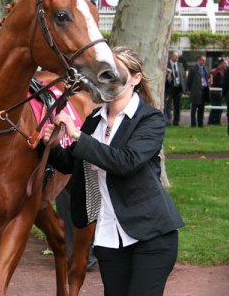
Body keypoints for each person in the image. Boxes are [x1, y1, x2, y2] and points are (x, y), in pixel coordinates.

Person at [44, 46, 183, 296]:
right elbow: (71, 164)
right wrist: (52, 145)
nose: (107, 79)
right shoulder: (94, 120)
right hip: (109, 238)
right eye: (104, 73)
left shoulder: (150, 119)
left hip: (152, 237)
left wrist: (76, 135)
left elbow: (125, 162)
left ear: (136, 79)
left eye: (116, 72)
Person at [187, 55, 209, 127]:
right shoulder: (193, 69)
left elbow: (205, 78)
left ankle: (200, 123)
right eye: (202, 60)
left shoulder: (205, 68)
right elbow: (189, 80)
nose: (204, 62)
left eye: (204, 60)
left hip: (203, 90)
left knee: (201, 108)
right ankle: (193, 124)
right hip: (195, 91)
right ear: (198, 60)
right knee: (194, 109)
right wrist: (190, 90)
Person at [164, 51, 186, 126]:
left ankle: (176, 121)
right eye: (175, 56)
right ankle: (168, 121)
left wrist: (184, 87)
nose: (177, 58)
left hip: (178, 88)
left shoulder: (180, 65)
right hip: (169, 88)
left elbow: (183, 76)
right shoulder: (166, 65)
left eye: (177, 56)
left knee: (177, 106)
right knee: (168, 105)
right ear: (171, 56)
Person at [207, 58, 227, 125]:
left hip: (215, 92)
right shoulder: (218, 72)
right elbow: (219, 83)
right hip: (216, 92)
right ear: (220, 63)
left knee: (215, 107)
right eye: (224, 63)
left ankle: (212, 121)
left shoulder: (214, 71)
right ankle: (216, 121)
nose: (226, 65)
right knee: (217, 108)